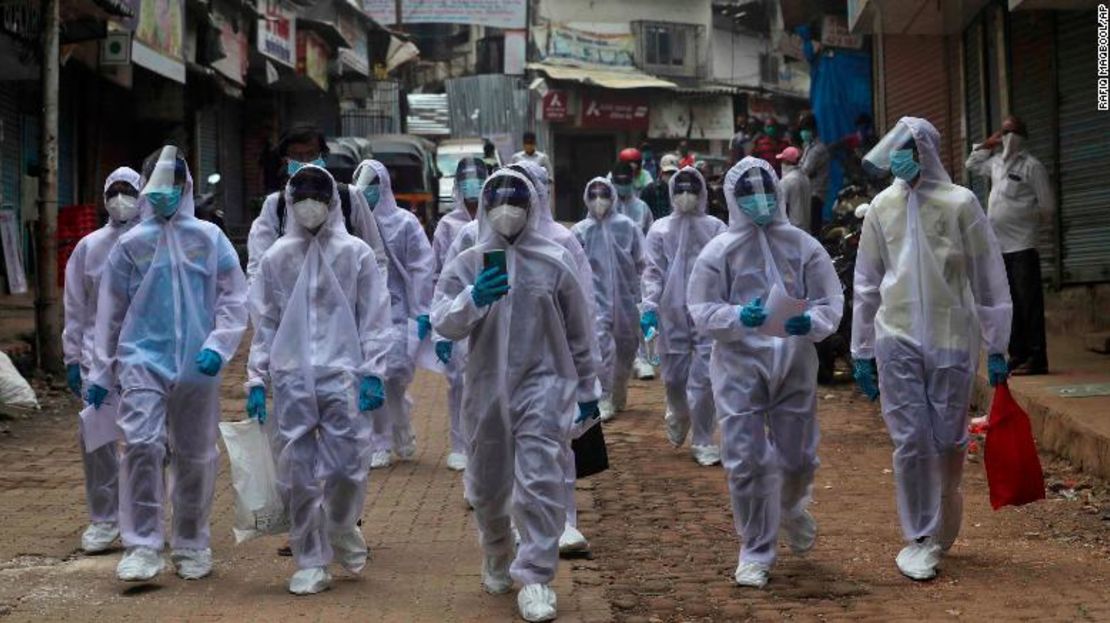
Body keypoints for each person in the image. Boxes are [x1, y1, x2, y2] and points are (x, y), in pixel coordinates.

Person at [431, 169, 601, 623]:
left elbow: (580, 331)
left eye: (517, 201)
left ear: (533, 206)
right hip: (485, 387)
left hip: (543, 385)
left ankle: (538, 578)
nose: (508, 211)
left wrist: (587, 389)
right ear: (485, 207)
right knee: (487, 486)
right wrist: (472, 297)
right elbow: (444, 321)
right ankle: (496, 551)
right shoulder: (469, 260)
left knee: (540, 483)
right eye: (499, 201)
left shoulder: (554, 258)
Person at [852, 117, 1012, 582]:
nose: (897, 158)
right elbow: (866, 282)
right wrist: (862, 348)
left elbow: (988, 276)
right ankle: (919, 537)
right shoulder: (883, 206)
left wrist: (997, 343)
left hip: (949, 337)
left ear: (924, 150)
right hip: (896, 335)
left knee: (947, 439)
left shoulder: (961, 203)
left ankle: (942, 523)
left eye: (905, 149)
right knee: (911, 440)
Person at [87, 145, 249, 582]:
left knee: (195, 455)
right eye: (157, 184)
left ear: (185, 185)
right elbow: (110, 313)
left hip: (198, 363)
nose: (165, 192)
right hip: (141, 359)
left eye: (173, 183)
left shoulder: (209, 238)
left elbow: (234, 296)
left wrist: (220, 343)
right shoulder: (130, 245)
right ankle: (142, 545)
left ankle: (192, 542)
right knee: (141, 445)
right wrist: (101, 370)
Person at [687, 157, 843, 588]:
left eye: (763, 189)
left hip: (793, 364)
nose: (757, 199)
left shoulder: (803, 245)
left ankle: (789, 507)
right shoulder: (719, 251)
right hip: (739, 366)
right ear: (733, 199)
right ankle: (755, 549)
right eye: (746, 192)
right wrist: (740, 315)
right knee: (745, 459)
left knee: (798, 458)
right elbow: (700, 307)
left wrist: (809, 322)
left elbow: (830, 299)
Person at [245, 165, 393, 595]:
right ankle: (310, 559)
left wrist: (374, 371)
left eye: (318, 195)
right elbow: (267, 321)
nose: (310, 203)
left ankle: (341, 523)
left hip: (343, 374)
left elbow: (375, 317)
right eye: (301, 195)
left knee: (348, 467)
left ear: (332, 203)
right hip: (291, 376)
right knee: (296, 474)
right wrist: (256, 377)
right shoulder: (277, 258)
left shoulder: (356, 254)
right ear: (290, 203)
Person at [62, 166, 142, 554]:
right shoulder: (89, 247)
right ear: (105, 196)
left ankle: (142, 519)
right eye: (116, 191)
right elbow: (75, 306)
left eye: (129, 191)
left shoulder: (154, 243)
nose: (121, 199)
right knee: (97, 442)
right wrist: (72, 357)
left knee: (146, 444)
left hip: (145, 357)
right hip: (99, 361)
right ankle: (103, 519)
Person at [351, 159, 435, 469]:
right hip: (367, 312)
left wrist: (422, 309)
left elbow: (421, 267)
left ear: (383, 186)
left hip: (399, 311)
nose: (367, 192)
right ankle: (381, 441)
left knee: (396, 377)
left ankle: (401, 424)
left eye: (373, 185)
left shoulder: (405, 223)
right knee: (374, 375)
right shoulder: (353, 222)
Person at [641, 167, 727, 466]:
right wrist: (650, 307)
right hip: (671, 310)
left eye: (691, 189)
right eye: (680, 190)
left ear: (702, 192)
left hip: (707, 309)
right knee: (674, 376)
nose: (686, 196)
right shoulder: (660, 229)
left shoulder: (716, 228)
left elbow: (726, 267)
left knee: (705, 378)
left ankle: (703, 439)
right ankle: (678, 411)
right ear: (671, 194)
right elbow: (652, 271)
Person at [965, 114, 1054, 376]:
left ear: (1023, 136)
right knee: (1010, 302)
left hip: (1023, 244)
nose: (1009, 137)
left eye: (1013, 131)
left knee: (1029, 304)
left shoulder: (1032, 166)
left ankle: (1038, 359)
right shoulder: (996, 164)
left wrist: (1026, 223)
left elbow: (1047, 206)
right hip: (1000, 247)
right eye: (1004, 132)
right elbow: (971, 163)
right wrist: (987, 143)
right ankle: (1018, 354)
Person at [246, 125, 388, 284]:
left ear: (323, 156)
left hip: (345, 302)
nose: (306, 162)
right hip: (291, 303)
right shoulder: (276, 205)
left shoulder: (349, 197)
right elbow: (258, 266)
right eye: (297, 156)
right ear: (285, 160)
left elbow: (376, 257)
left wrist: (374, 302)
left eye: (311, 154)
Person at [430, 157, 489, 472]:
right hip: (456, 309)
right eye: (466, 181)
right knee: (457, 383)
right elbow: (438, 276)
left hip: (489, 309)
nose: (471, 187)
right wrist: (439, 328)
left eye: (477, 180)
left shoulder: (495, 220)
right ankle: (459, 445)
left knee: (485, 382)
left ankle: (482, 447)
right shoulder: (448, 225)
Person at [572, 177, 645, 422]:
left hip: (626, 299)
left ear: (612, 196)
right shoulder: (580, 231)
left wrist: (642, 297)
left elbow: (642, 263)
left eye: (603, 194)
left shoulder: (627, 226)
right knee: (600, 348)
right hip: (594, 300)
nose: (598, 200)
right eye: (593, 195)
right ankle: (603, 396)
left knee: (627, 347)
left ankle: (619, 389)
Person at [798, 112, 831, 234]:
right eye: (802, 130)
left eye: (806, 129)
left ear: (813, 130)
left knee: (814, 228)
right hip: (809, 192)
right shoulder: (808, 147)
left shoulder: (818, 149)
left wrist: (798, 169)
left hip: (816, 193)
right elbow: (801, 165)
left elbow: (805, 169)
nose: (803, 133)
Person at [611, 160, 654, 236]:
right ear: (612, 181)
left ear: (632, 180)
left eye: (626, 181)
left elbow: (650, 234)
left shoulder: (642, 207)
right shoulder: (608, 207)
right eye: (619, 181)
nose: (623, 185)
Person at [777, 146, 812, 231]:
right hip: (806, 227)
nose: (781, 163)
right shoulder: (805, 177)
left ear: (786, 161)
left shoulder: (786, 181)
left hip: (793, 229)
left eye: (782, 160)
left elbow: (782, 208)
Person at [641, 154, 680, 220]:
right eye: (667, 172)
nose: (670, 176)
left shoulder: (681, 190)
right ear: (661, 172)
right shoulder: (649, 190)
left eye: (673, 173)